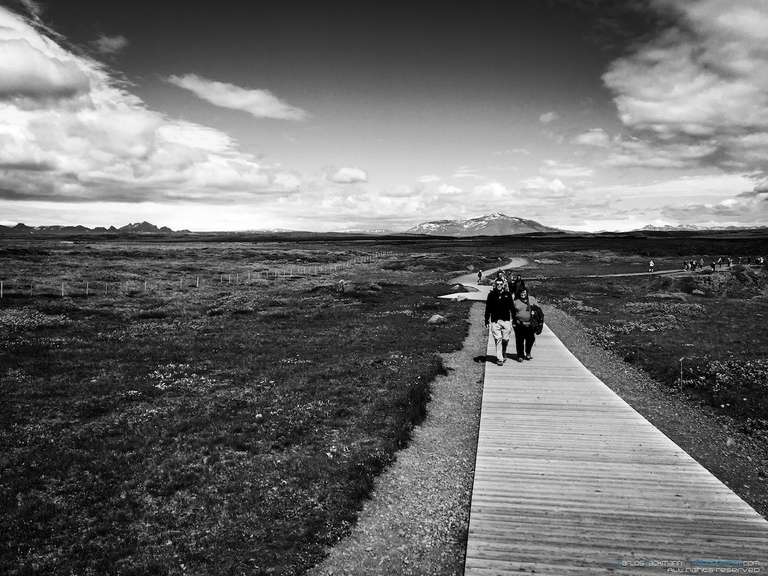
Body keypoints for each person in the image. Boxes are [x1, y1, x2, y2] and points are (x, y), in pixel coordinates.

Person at [484, 278, 514, 366]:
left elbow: (512, 307)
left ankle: (504, 351)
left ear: (503, 285)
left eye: (501, 284)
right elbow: (488, 309)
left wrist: (515, 319)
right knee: (498, 339)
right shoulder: (491, 295)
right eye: (498, 284)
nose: (499, 286)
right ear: (495, 285)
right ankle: (499, 358)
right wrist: (486, 320)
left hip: (506, 320)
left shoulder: (507, 294)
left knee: (505, 339)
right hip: (495, 320)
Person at [512, 286, 538, 361]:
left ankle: (528, 352)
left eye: (524, 292)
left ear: (526, 292)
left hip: (530, 324)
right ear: (519, 293)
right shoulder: (516, 301)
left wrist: (534, 312)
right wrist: (513, 322)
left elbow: (538, 309)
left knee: (531, 339)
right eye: (521, 292)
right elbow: (513, 313)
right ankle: (520, 355)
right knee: (519, 340)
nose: (522, 293)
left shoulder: (531, 299)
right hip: (519, 324)